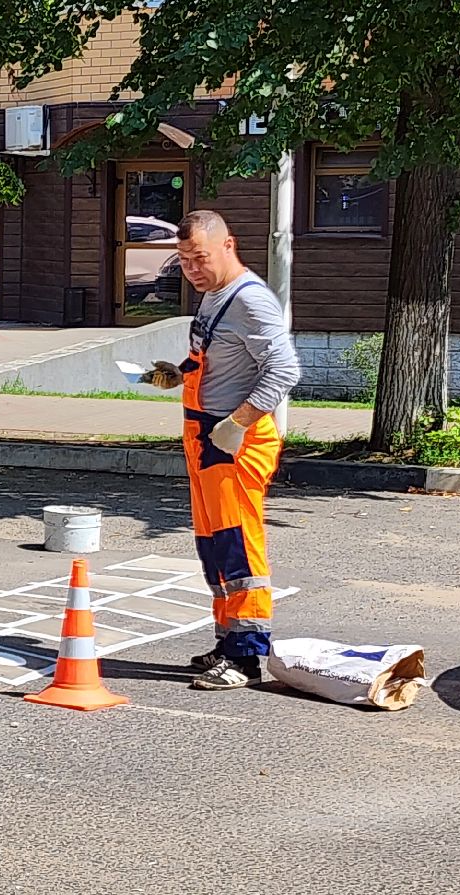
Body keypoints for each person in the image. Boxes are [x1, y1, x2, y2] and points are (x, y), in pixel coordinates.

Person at [145, 211, 302, 690]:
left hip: (233, 441)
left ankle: (248, 656)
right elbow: (216, 357)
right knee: (214, 546)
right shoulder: (216, 296)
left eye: (200, 258)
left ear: (228, 245)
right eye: (185, 260)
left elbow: (285, 369)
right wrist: (181, 373)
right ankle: (229, 640)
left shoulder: (250, 301)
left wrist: (237, 423)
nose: (192, 269)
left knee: (238, 546)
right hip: (207, 437)